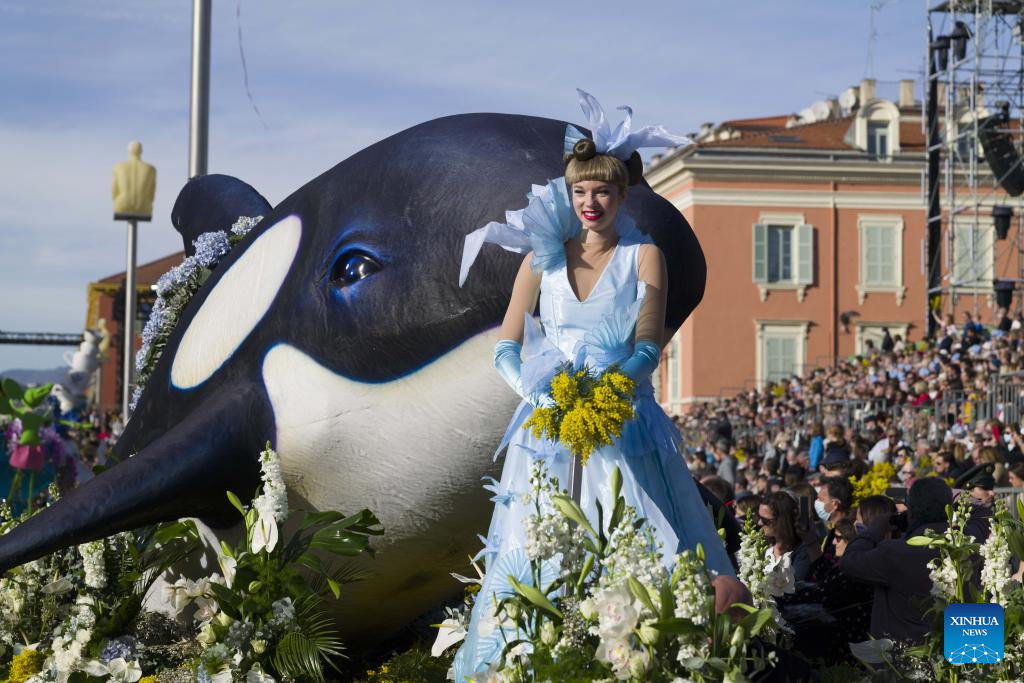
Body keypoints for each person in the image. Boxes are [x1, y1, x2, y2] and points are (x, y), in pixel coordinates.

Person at [452, 92, 743, 681]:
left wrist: (608, 394)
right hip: (550, 427)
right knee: (540, 542)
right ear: (568, 194)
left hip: (624, 420)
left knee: (637, 536)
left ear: (622, 195)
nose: (591, 202)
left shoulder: (645, 256)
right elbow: (505, 348)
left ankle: (643, 658)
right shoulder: (540, 260)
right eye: (581, 191)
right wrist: (544, 398)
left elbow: (647, 346)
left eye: (603, 191)